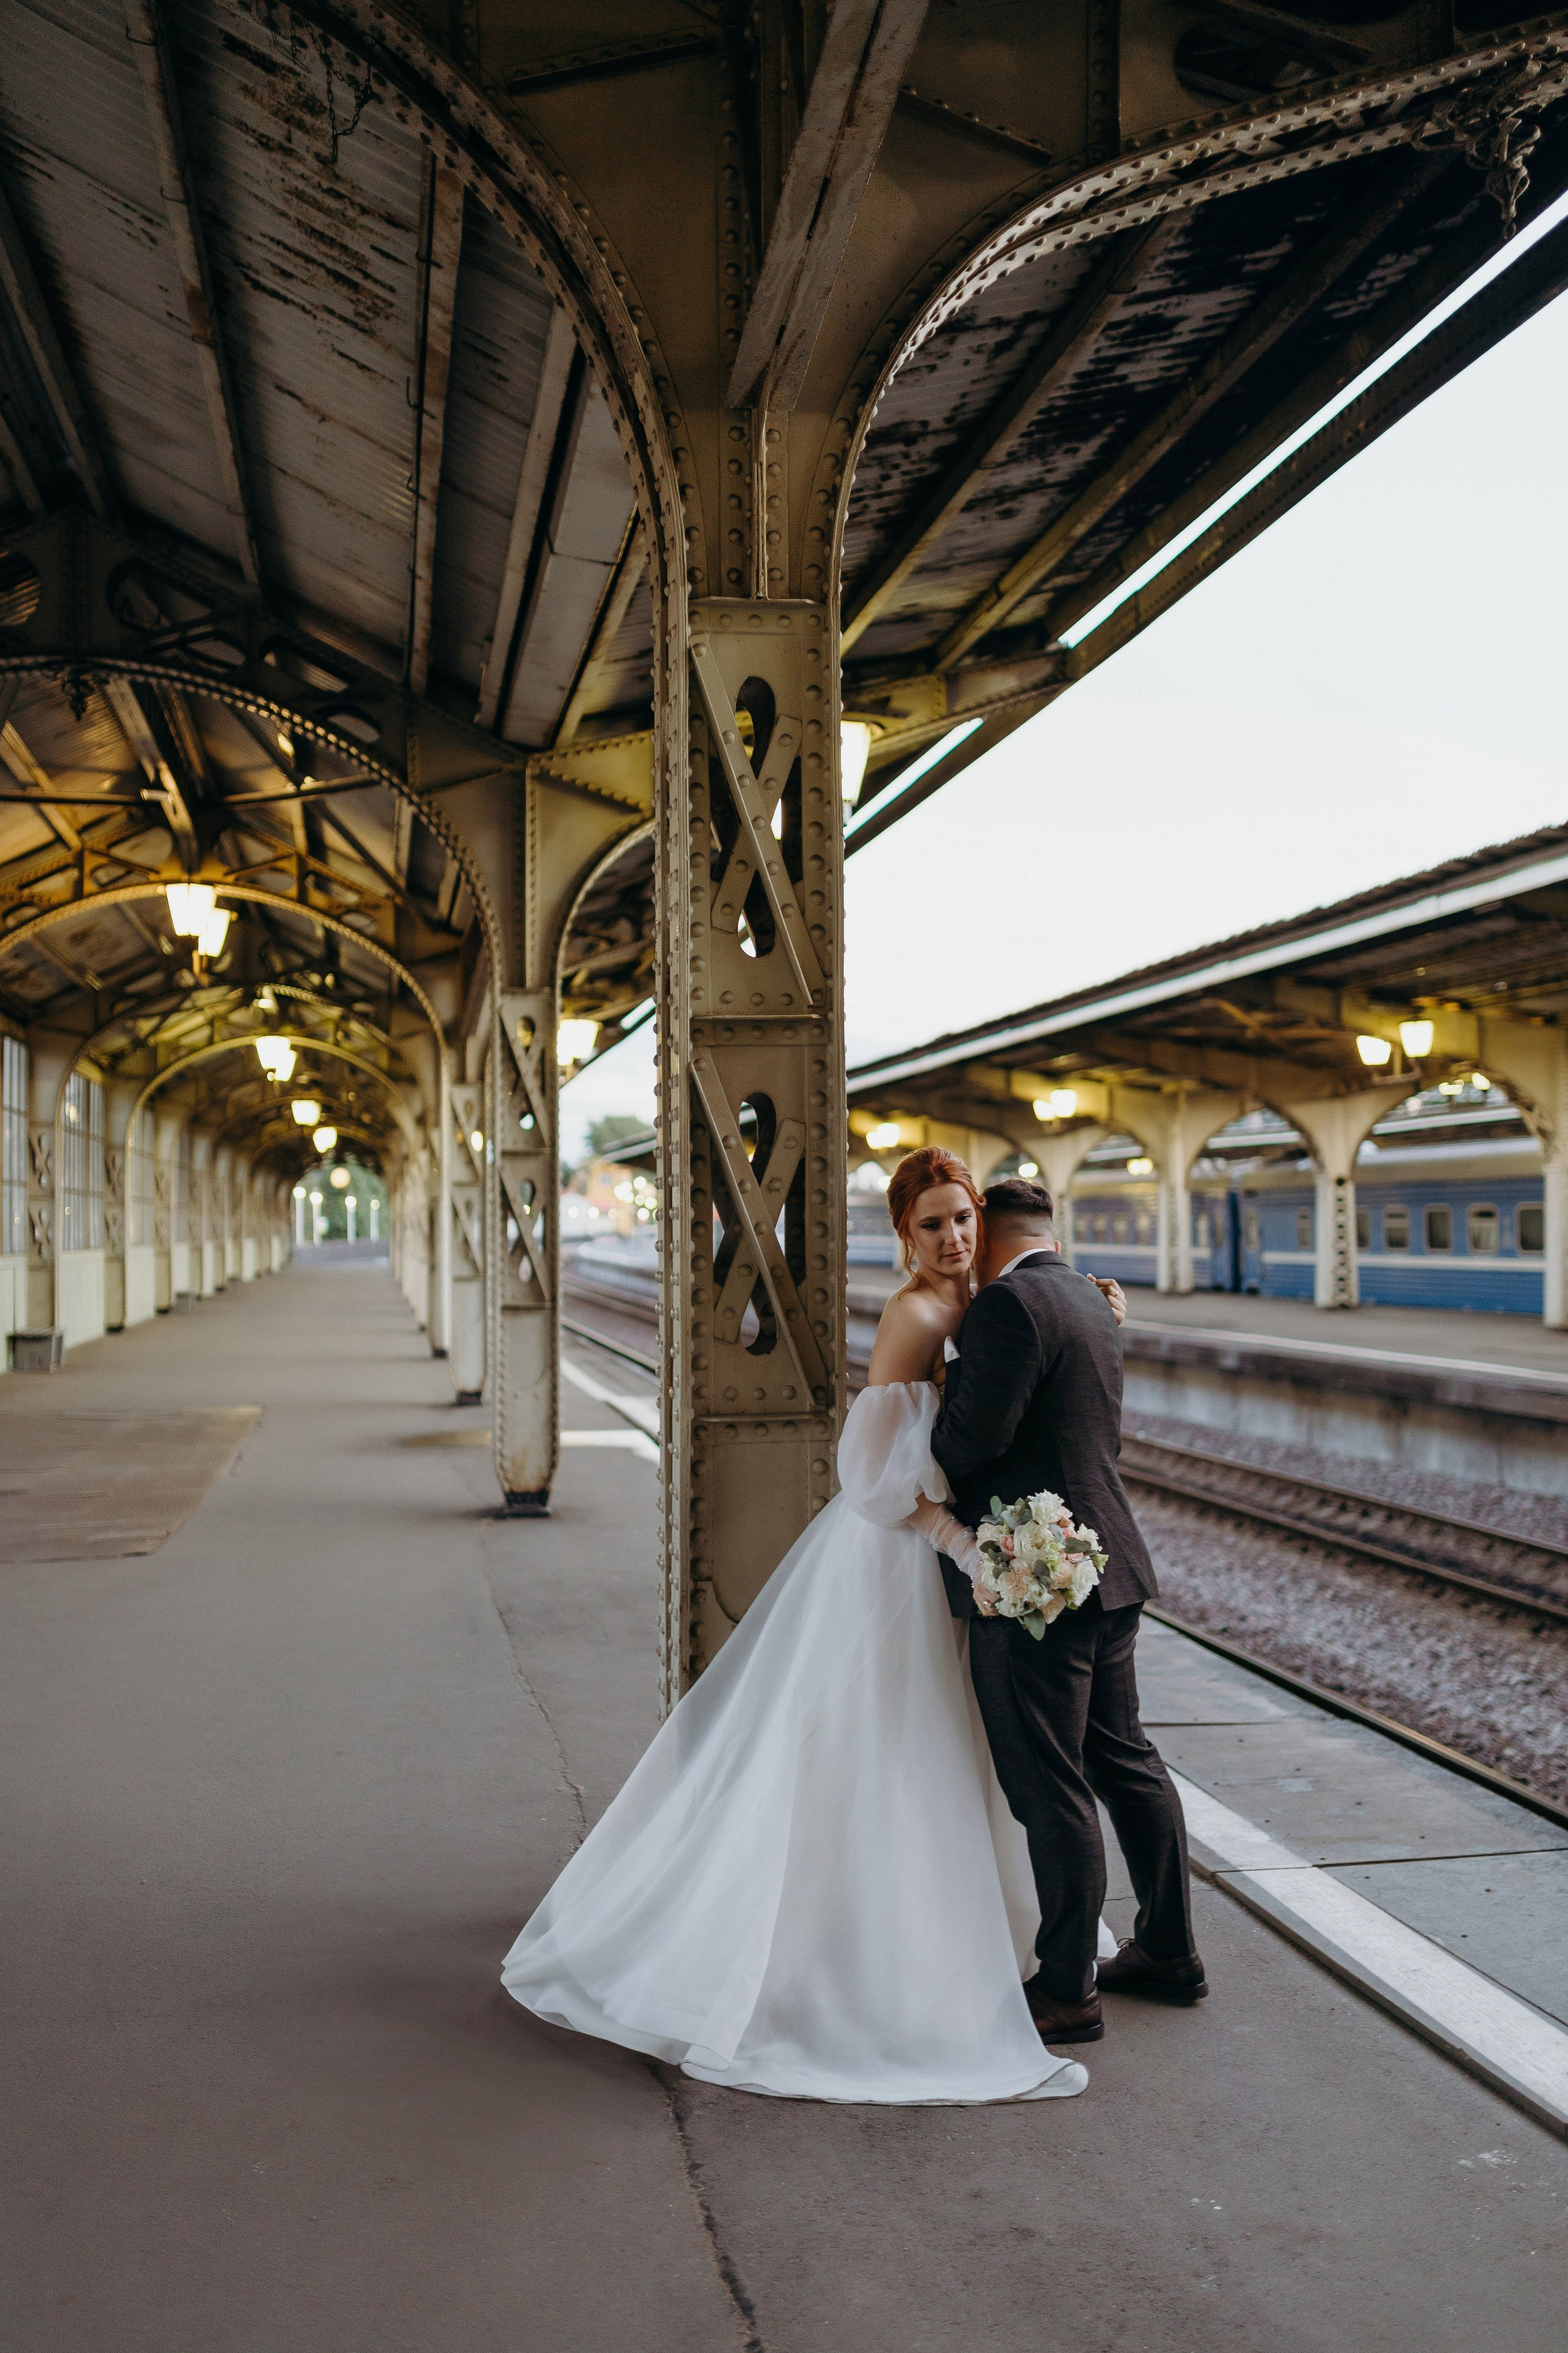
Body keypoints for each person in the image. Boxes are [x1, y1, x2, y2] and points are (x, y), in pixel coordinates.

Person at [501, 1147, 1116, 2104]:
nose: (954, 1237)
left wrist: (1099, 1301)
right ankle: (854, 1952)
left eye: (964, 1218)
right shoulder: (917, 1316)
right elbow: (871, 1477)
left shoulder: (985, 1302)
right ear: (905, 1233)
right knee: (889, 1749)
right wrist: (966, 1550)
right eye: (932, 1224)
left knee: (960, 1750)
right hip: (898, 1560)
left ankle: (976, 1932)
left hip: (956, 1571)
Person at [932, 1177, 1207, 2049]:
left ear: (990, 1232)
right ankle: (1168, 1949)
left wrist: (930, 1395)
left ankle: (1065, 1988)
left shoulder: (1006, 1307)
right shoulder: (1091, 1296)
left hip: (1039, 1580)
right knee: (1126, 1759)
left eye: (967, 1225)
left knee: (1051, 1786)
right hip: (1111, 1564)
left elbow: (969, 1443)